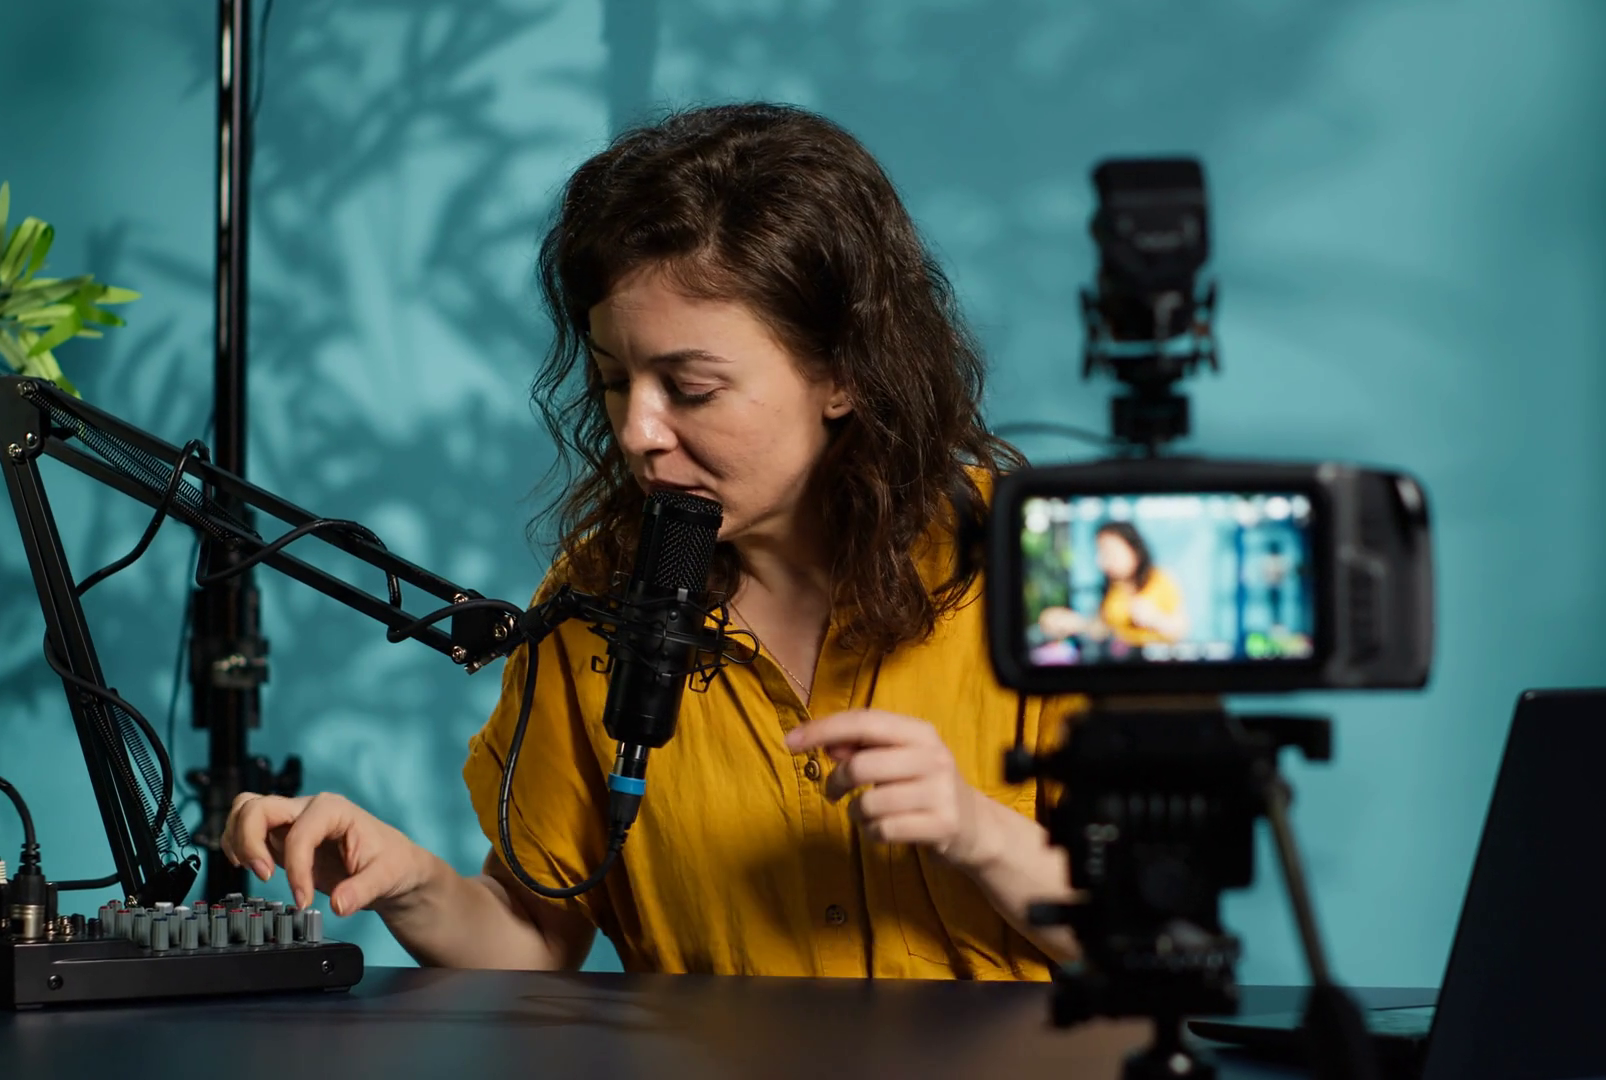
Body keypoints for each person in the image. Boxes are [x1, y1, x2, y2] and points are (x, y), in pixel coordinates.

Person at [219, 103, 1084, 980]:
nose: (638, 432)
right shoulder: (593, 597)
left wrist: (977, 831)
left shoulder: (1047, 566)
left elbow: (1150, 936)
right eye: (613, 381)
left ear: (842, 372)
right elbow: (534, 937)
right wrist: (409, 883)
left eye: (692, 388)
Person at [1036, 521, 1189, 648]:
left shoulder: (1160, 578)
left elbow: (1180, 629)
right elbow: (1102, 630)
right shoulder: (1112, 588)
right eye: (1100, 552)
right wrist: (1075, 623)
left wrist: (1154, 618)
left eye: (1109, 552)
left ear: (1133, 549)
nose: (1101, 561)